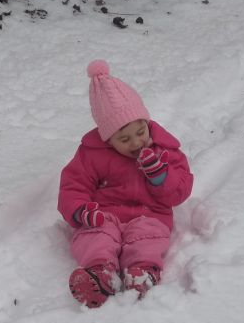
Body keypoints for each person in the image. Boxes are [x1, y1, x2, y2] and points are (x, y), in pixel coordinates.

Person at [58, 60, 193, 308]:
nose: (136, 143)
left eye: (141, 132)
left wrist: (160, 177)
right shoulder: (92, 154)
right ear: (108, 139)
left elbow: (180, 191)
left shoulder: (164, 150)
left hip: (150, 214)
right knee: (97, 235)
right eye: (124, 139)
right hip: (105, 214)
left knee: (147, 236)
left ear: (147, 122)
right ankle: (100, 274)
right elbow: (73, 186)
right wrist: (81, 211)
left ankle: (142, 272)